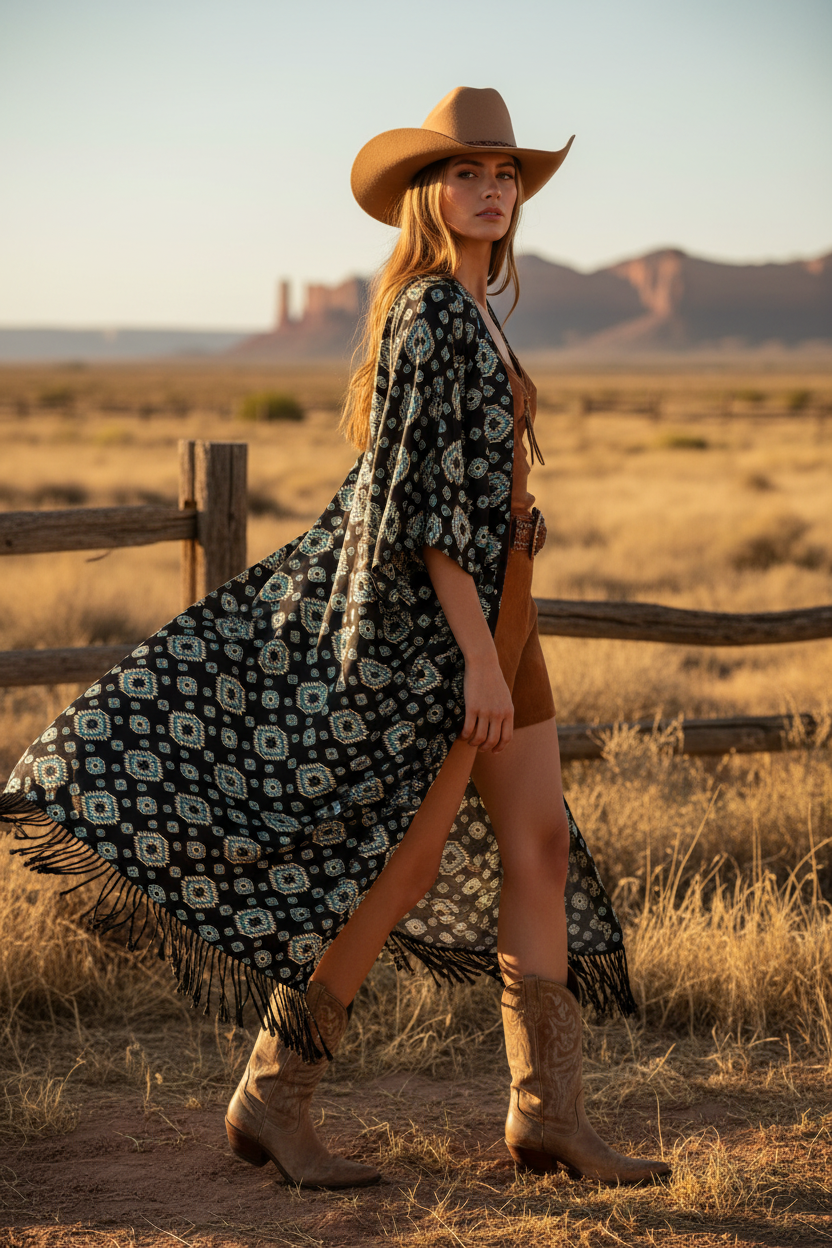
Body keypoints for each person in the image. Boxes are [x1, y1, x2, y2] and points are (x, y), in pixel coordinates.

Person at [1, 87, 669, 1190]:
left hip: (507, 606)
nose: (491, 188)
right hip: (441, 627)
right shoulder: (427, 312)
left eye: (504, 174)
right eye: (466, 172)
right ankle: (274, 1095)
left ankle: (547, 1119)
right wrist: (472, 655)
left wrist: (512, 574)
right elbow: (415, 508)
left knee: (539, 848)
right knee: (400, 870)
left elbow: (459, 488)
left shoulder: (473, 308)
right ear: (425, 193)